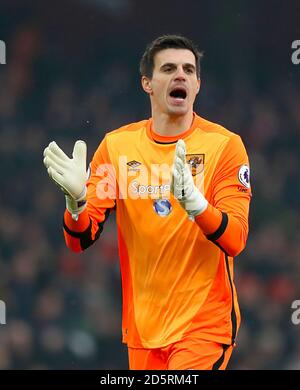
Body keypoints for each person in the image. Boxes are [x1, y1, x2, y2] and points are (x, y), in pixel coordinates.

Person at [43, 34, 252, 370]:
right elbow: (79, 239)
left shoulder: (225, 146)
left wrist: (197, 206)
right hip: (143, 331)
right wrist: (76, 202)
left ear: (197, 84)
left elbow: (236, 239)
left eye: (188, 69)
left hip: (203, 325)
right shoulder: (117, 147)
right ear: (148, 83)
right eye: (168, 68)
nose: (180, 75)